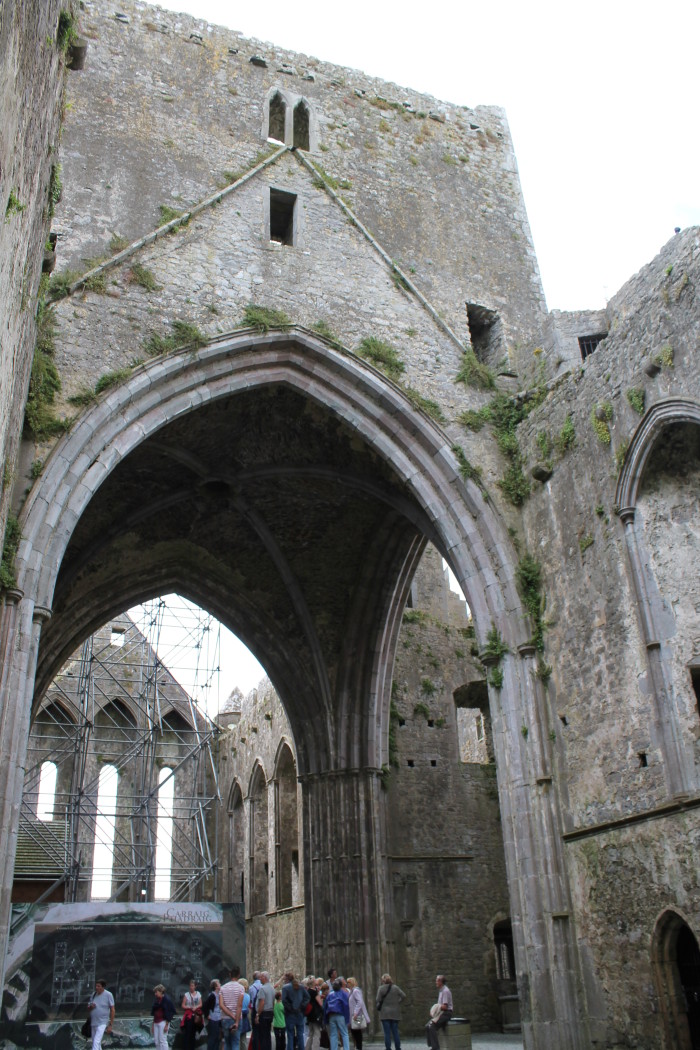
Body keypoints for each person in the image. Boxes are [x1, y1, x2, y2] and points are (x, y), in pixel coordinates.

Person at [375, 975, 405, 1050]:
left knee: (387, 1033)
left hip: (385, 1013)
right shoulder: (395, 987)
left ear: (383, 981)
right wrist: (398, 1002)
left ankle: (388, 1048)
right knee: (395, 1032)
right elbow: (403, 996)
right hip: (395, 1012)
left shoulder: (381, 988)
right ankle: (398, 1048)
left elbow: (378, 999)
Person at [220, 966, 245, 1050]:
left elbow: (221, 1005)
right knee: (235, 1043)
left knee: (227, 1043)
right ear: (238, 975)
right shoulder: (241, 988)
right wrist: (236, 1021)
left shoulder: (223, 988)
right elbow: (239, 1005)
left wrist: (230, 1015)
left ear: (230, 975)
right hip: (237, 1018)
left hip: (225, 1018)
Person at [282, 974, 309, 1050]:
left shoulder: (285, 988)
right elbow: (307, 997)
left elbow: (284, 1000)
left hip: (290, 1014)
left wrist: (290, 1008)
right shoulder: (301, 987)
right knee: (300, 1034)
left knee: (290, 1035)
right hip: (299, 1013)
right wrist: (302, 1006)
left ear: (287, 979)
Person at [425, 976, 452, 1050]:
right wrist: (434, 1011)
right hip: (441, 1013)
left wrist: (435, 1008)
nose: (436, 982)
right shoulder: (441, 990)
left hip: (446, 1013)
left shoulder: (445, 991)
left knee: (432, 1027)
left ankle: (436, 1048)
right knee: (427, 1026)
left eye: (437, 981)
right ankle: (432, 1045)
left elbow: (445, 1007)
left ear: (440, 982)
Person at [88, 980, 115, 1050]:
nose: (96, 987)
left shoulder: (108, 995)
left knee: (96, 1041)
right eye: (96, 986)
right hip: (94, 1022)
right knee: (95, 1042)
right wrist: (91, 1006)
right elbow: (88, 1007)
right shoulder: (94, 994)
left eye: (98, 986)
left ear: (103, 987)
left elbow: (112, 1010)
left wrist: (110, 1024)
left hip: (102, 1022)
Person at [323, 979, 349, 1050]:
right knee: (344, 1034)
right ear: (340, 986)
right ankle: (346, 1048)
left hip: (331, 1015)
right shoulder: (343, 994)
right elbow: (346, 1005)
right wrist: (347, 1018)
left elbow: (325, 1006)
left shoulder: (330, 994)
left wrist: (325, 1019)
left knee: (333, 1035)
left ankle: (334, 1048)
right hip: (340, 1015)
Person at [346, 979, 369, 1050]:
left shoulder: (356, 991)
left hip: (356, 1015)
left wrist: (355, 1012)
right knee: (354, 1032)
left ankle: (359, 1047)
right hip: (353, 1015)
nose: (347, 984)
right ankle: (357, 1047)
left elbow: (359, 1002)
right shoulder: (352, 991)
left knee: (357, 1032)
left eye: (348, 982)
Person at [151, 984, 177, 1050]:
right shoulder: (156, 1000)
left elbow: (171, 1012)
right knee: (157, 1041)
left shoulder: (167, 1000)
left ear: (161, 992)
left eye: (156, 992)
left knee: (162, 1041)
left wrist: (166, 1024)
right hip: (156, 1022)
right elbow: (154, 1013)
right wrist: (153, 1024)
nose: (155, 994)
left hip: (163, 1021)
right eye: (155, 992)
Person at [255, 971, 276, 1050]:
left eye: (261, 977)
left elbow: (262, 1002)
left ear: (265, 978)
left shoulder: (262, 989)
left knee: (263, 1035)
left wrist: (258, 1014)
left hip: (263, 1013)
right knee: (267, 1034)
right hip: (270, 1013)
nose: (260, 978)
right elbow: (273, 1002)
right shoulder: (272, 988)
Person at [182, 979, 204, 1050]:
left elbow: (201, 1004)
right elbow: (183, 1005)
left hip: (196, 1016)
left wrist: (196, 1007)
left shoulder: (198, 994)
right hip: (189, 1016)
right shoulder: (186, 994)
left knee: (193, 1033)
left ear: (195, 986)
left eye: (192, 986)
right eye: (190, 986)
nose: (191, 987)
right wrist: (189, 1007)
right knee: (188, 1033)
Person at [303, 977, 323, 1050]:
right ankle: (315, 1048)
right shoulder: (314, 992)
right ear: (313, 983)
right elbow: (320, 1003)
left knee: (310, 1033)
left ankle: (307, 1048)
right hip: (315, 1014)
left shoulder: (308, 991)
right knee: (317, 1033)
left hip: (310, 1014)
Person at [203, 980, 222, 1050]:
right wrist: (207, 1015)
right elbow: (205, 1006)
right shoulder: (212, 995)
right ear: (216, 987)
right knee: (213, 1036)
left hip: (219, 1017)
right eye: (219, 984)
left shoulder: (219, 995)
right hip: (213, 1018)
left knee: (217, 1037)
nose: (220, 985)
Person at [239, 979, 251, 1050]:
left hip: (238, 1017)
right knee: (243, 1040)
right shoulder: (248, 996)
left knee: (236, 1040)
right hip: (245, 1018)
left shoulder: (238, 996)